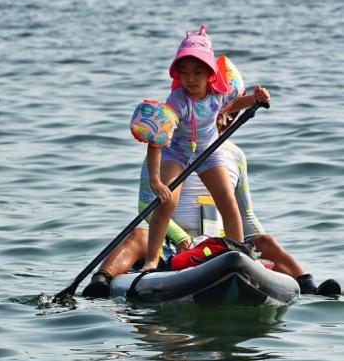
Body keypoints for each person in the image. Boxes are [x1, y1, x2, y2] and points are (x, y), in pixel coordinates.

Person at [82, 110, 341, 297]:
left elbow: (246, 214)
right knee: (139, 235)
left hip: (219, 247)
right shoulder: (168, 150)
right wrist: (181, 237)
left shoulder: (236, 156)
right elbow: (146, 204)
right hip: (173, 246)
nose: (221, 118)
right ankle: (101, 281)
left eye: (226, 112)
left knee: (265, 240)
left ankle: (309, 286)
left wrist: (252, 246)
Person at [143, 24, 271, 272]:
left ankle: (238, 251)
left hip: (208, 153)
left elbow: (231, 106)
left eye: (198, 72)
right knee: (166, 202)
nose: (190, 79)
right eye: (185, 72)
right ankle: (151, 260)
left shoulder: (217, 93)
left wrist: (256, 99)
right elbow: (156, 141)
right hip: (177, 154)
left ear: (210, 73)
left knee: (227, 199)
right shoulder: (176, 101)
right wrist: (156, 181)